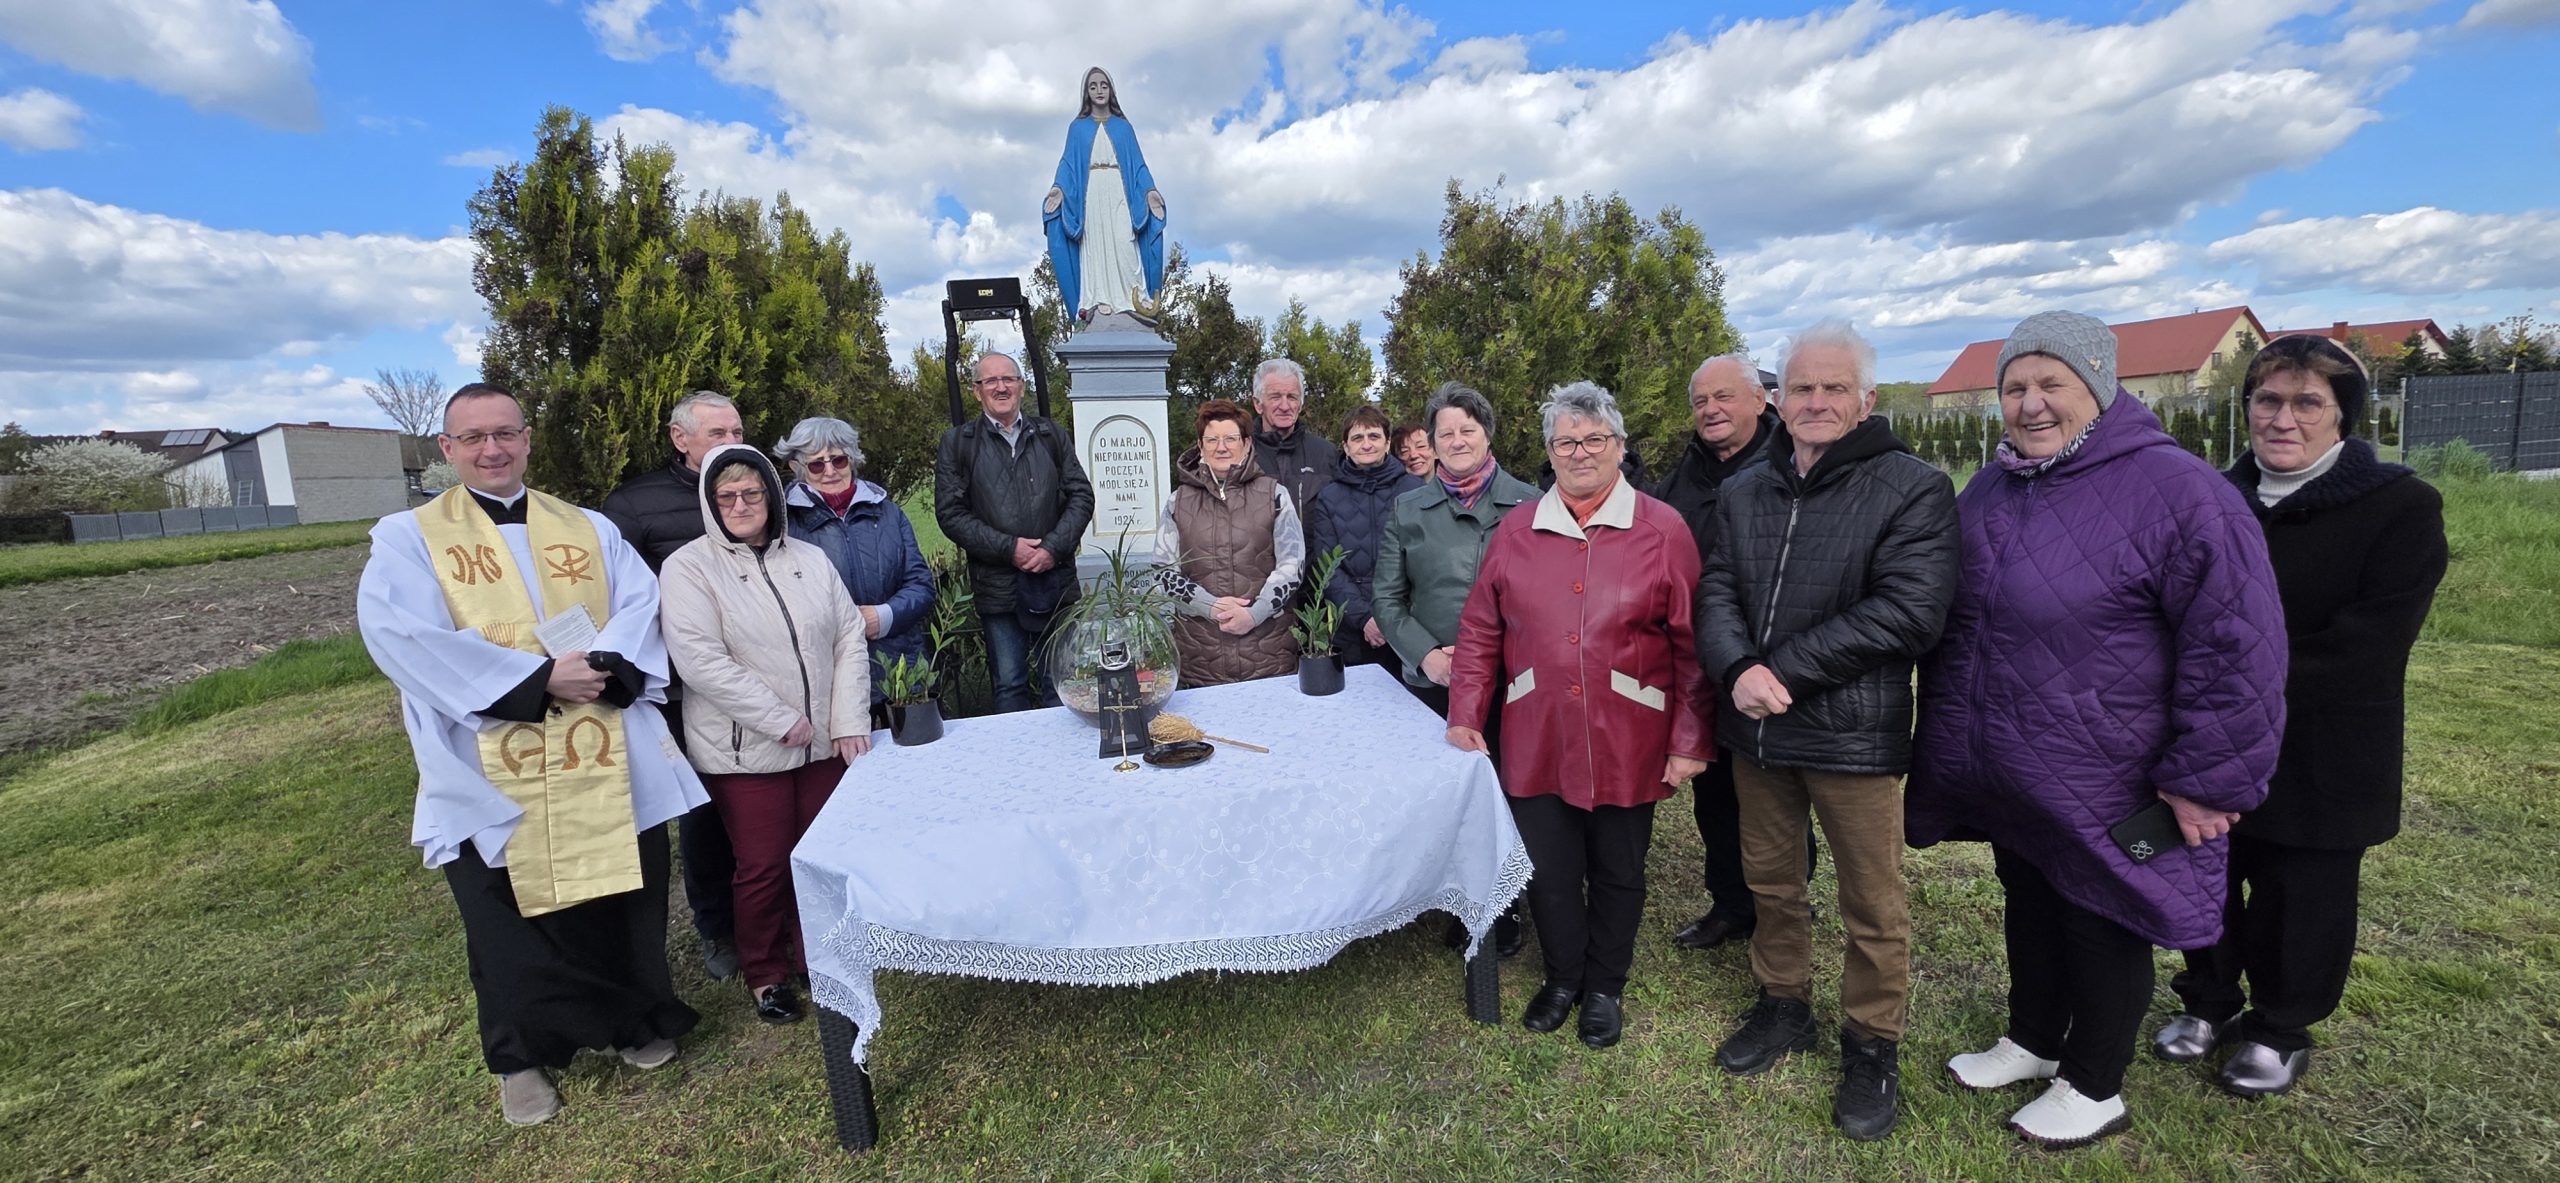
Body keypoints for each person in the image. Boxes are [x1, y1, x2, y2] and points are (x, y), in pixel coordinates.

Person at [1909, 310, 2288, 1148]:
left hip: (2119, 770)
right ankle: (2036, 1037)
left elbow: (2238, 646)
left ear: (2100, 388)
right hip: (2018, 762)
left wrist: (2206, 777)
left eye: (2053, 384)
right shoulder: (1996, 485)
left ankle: (2095, 1082)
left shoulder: (2181, 492)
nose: (2031, 404)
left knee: (2104, 910)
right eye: (2015, 387)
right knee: (2032, 897)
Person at [357, 382, 704, 1126]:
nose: (492, 449)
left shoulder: (584, 526)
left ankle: (633, 1021)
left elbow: (641, 605)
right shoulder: (407, 538)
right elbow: (400, 636)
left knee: (624, 895)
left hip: (600, 740)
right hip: (486, 748)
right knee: (504, 912)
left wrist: (605, 666)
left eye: (505, 433)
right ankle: (522, 1055)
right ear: (446, 449)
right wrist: (540, 678)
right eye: (474, 437)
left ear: (527, 438)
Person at [2156, 333, 2446, 1098]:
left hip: (2322, 742)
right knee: (2206, 873)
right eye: (2268, 400)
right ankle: (2210, 1002)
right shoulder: (2211, 499)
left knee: (2301, 893)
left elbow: (2369, 643)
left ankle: (2280, 1026)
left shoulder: (2400, 508)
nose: (2284, 419)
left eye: (2307, 402)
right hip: (2209, 737)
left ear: (2343, 417)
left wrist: (2233, 684)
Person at [1697, 319, 1957, 1141]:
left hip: (1849, 735)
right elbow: (1716, 591)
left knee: (1870, 901)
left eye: (1832, 388)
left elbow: (1909, 610)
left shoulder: (1912, 486)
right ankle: (1783, 1004)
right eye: (1801, 387)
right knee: (1773, 882)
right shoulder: (1746, 490)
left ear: (1865, 400)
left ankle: (1871, 1040)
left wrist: (1786, 672)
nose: (1814, 401)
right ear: (1779, 398)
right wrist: (1738, 668)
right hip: (1758, 734)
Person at [1447, 382, 1713, 1050]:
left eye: (1595, 439)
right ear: (1549, 452)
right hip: (1537, 733)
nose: (1581, 451)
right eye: (1567, 441)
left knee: (1619, 869)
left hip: (1630, 735)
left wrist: (1689, 739)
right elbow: (1480, 630)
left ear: (1620, 447)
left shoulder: (1663, 529)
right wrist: (1465, 712)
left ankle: (1605, 986)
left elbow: (1692, 644)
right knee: (1552, 867)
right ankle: (1563, 976)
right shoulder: (1518, 529)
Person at [659, 444, 875, 1026]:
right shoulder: (688, 568)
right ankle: (765, 971)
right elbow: (700, 660)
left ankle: (816, 955)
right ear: (709, 502)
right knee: (764, 864)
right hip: (746, 750)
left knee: (821, 854)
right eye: (726, 496)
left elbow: (848, 638)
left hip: (824, 742)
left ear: (773, 496)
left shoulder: (807, 558)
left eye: (752, 492)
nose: (740, 504)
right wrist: (780, 719)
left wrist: (848, 718)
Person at [1374, 381, 1542, 957]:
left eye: (1467, 429)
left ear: (1487, 434)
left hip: (1515, 683)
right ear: (1431, 443)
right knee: (1445, 795)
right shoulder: (1408, 507)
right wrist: (1426, 655)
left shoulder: (1530, 503)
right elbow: (1389, 599)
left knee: (1509, 791)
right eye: (1445, 432)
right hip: (1434, 681)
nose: (1457, 440)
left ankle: (1506, 901)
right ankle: (1449, 895)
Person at [1652, 352, 1795, 954]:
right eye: (1701, 401)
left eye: (1724, 397)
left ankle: (1783, 914)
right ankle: (1731, 905)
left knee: (1777, 803)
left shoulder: (1790, 465)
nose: (1711, 410)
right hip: (1704, 662)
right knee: (1715, 798)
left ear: (1760, 402)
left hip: (1772, 663)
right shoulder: (1683, 477)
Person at [601, 390, 745, 983]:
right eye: (717, 433)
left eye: (737, 430)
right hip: (687, 689)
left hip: (768, 676)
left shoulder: (759, 488)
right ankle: (718, 928)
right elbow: (620, 600)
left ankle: (776, 910)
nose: (732, 443)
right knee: (706, 811)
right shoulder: (635, 507)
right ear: (679, 439)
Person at [935, 352, 1095, 712]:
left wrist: (1052, 548)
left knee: (1063, 682)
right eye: (990, 381)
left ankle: (1066, 765)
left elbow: (1081, 495)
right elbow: (951, 514)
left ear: (1022, 386)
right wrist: (1010, 549)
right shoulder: (959, 443)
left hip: (1054, 582)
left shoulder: (1051, 435)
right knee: (1009, 685)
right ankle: (1018, 765)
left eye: (1008, 379)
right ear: (977, 391)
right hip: (999, 588)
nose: (1000, 387)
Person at [775, 416, 935, 729]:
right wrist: (842, 624)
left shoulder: (888, 512)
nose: (831, 470)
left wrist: (882, 617)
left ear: (852, 459)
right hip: (831, 675)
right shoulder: (785, 521)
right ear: (797, 467)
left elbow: (921, 584)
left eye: (838, 459)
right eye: (817, 464)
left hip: (899, 669)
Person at [1150, 399, 1303, 685]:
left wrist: (1254, 614)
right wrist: (1211, 606)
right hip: (1200, 659)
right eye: (1212, 439)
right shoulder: (1178, 501)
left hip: (1269, 657)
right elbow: (1164, 571)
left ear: (1246, 444)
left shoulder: (1275, 496)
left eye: (1231, 438)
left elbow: (1292, 565)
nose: (1221, 447)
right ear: (1200, 446)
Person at [1043, 66, 1165, 318]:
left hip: (1120, 191)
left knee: (1124, 242)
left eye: (1104, 85)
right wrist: (1059, 188)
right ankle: (1099, 299)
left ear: (1111, 90)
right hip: (1092, 194)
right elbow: (1067, 163)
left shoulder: (1124, 127)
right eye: (1093, 86)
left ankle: (1134, 300)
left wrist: (1150, 191)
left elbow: (1138, 165)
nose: (1099, 90)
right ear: (1086, 93)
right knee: (1096, 245)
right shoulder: (1077, 128)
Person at [1307, 407, 1424, 669]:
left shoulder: (1415, 490)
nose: (1367, 444)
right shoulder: (1329, 496)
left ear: (1386, 442)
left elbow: (1426, 560)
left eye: (1373, 436)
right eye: (1357, 438)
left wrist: (1394, 617)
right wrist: (1363, 618)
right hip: (1351, 629)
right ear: (1346, 447)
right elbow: (1327, 567)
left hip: (1409, 624)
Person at [1249, 358, 1339, 550]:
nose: (1285, 406)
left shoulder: (1326, 453)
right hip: (1260, 577)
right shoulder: (1242, 453)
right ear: (1258, 404)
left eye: (1292, 397)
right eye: (1275, 397)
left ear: (1300, 403)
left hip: (1316, 576)